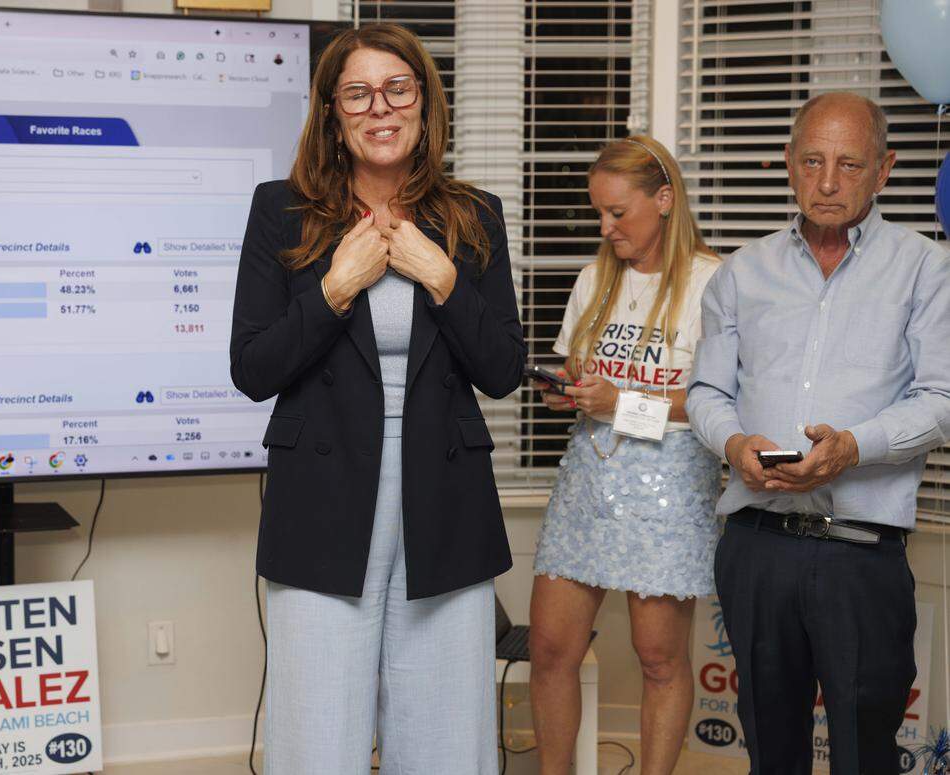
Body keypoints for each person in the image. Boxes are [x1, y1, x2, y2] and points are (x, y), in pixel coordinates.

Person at [229, 23, 525, 774]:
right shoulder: (281, 210)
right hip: (323, 504)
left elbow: (502, 368)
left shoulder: (473, 215)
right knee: (319, 732)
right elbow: (253, 366)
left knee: (446, 735)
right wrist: (337, 285)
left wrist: (442, 276)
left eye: (398, 88)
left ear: (424, 104)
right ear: (332, 112)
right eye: (357, 93)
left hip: (444, 506)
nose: (379, 108)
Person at [687, 91, 950, 774]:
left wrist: (854, 446)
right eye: (812, 160)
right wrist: (735, 443)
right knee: (772, 752)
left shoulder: (927, 270)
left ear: (885, 170)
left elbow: (944, 399)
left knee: (865, 755)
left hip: (861, 556)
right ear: (788, 162)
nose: (827, 182)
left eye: (849, 164)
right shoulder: (743, 271)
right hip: (757, 549)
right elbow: (708, 391)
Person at [528, 135, 722, 775]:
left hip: (670, 486)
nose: (606, 227)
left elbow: (710, 407)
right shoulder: (593, 281)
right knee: (552, 647)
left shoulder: (713, 283)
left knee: (659, 657)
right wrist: (574, 395)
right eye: (599, 214)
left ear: (664, 200)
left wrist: (621, 402)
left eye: (619, 212)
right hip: (590, 477)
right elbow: (591, 384)